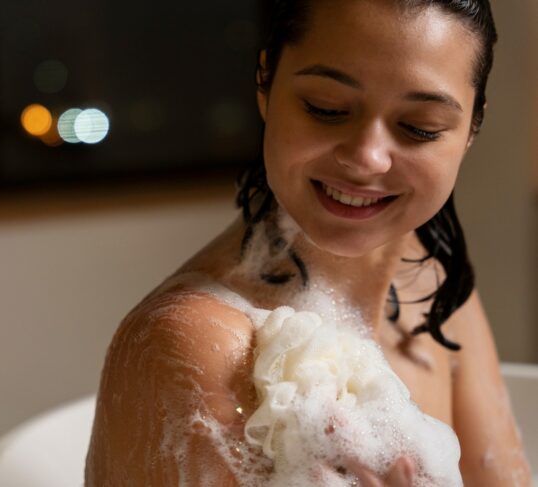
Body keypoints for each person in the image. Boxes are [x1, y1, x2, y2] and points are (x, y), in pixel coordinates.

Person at [85, 0, 533, 485]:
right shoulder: (198, 344)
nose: (366, 159)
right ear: (265, 82)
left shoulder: (433, 289)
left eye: (419, 127)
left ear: (471, 130)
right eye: (327, 109)